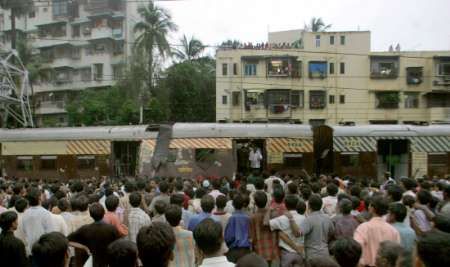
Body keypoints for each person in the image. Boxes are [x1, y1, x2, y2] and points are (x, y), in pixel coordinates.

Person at [354, 195, 400, 267]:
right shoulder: (393, 231)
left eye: (370, 205)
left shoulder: (363, 228)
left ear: (372, 208)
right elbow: (397, 254)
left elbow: (356, 249)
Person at [68, 203, 120, 267]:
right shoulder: (112, 228)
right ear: (104, 213)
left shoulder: (85, 229)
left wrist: (84, 247)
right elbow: (118, 245)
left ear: (90, 215)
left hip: (94, 261)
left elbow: (67, 240)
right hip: (109, 261)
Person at [21, 188, 56, 255]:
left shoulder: (26, 213)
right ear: (39, 198)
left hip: (30, 248)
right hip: (43, 249)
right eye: (41, 195)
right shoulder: (45, 213)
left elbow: (24, 230)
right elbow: (50, 232)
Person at [300, 194, 335, 261]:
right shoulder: (327, 218)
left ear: (309, 206)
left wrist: (291, 220)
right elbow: (332, 232)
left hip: (312, 254)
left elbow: (299, 233)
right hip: (325, 252)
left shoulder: (308, 219)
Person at [249, 191, 279, 265]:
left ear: (255, 203)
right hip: (271, 247)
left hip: (259, 248)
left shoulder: (253, 217)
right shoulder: (273, 214)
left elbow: (252, 236)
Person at [224, 193, 251, 263]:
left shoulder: (232, 218)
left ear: (233, 205)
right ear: (243, 205)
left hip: (234, 250)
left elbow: (229, 237)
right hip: (246, 249)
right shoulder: (248, 218)